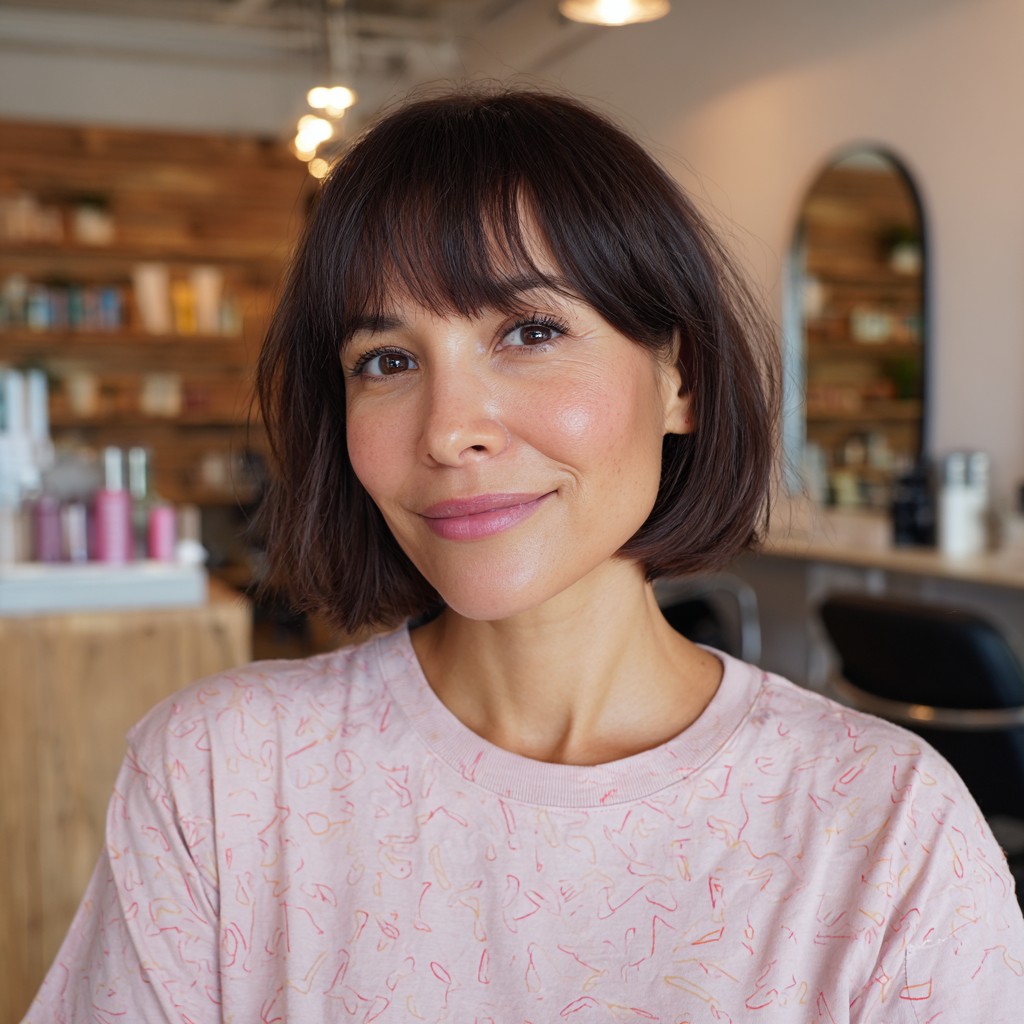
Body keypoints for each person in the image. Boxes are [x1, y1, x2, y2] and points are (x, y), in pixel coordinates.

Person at [24, 88, 1024, 1023]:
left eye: (530, 331)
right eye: (387, 360)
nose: (448, 429)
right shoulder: (221, 778)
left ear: (680, 380)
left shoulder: (886, 829)